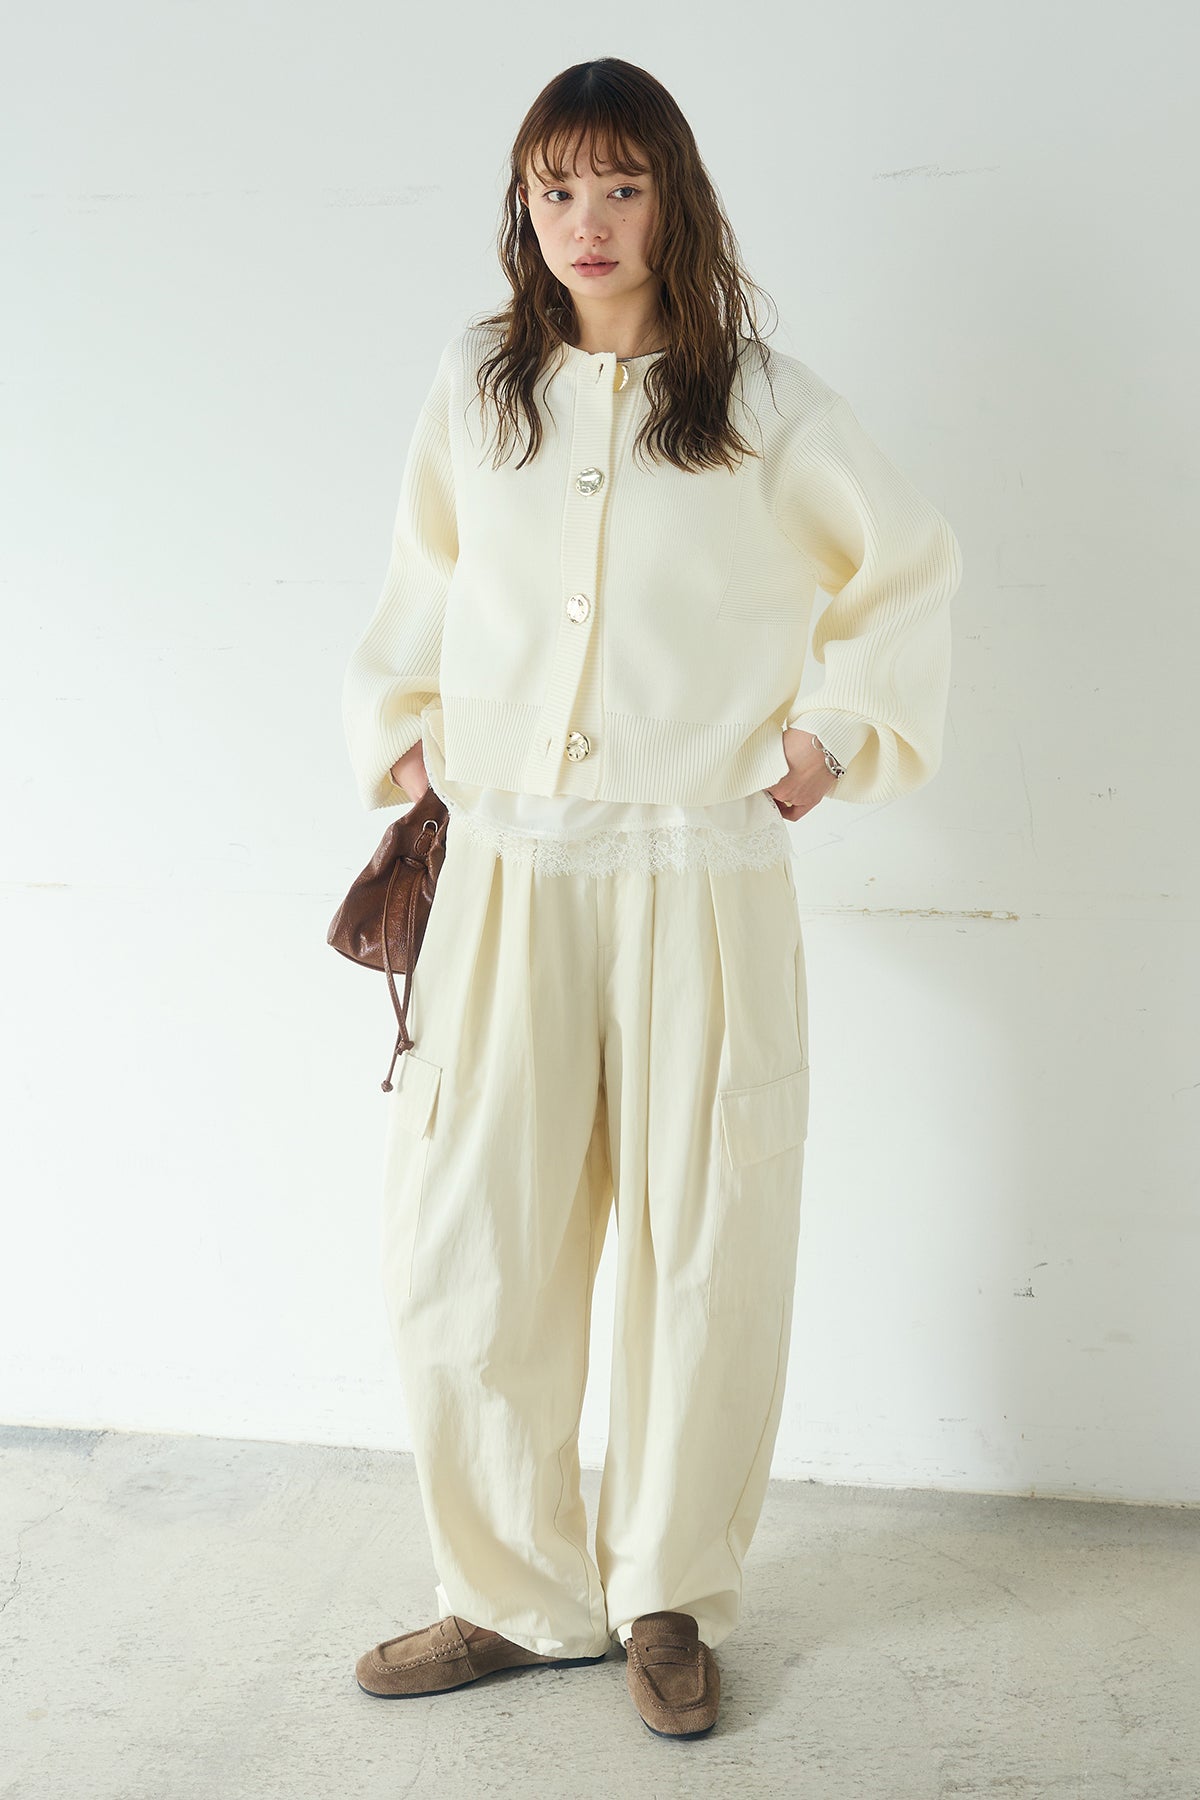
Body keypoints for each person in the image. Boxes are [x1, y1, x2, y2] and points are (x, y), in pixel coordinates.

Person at [341, 57, 963, 1741]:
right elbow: (419, 582)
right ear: (523, 208)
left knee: (708, 1240)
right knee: (471, 1236)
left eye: (619, 185)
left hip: (701, 870)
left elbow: (907, 565)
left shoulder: (762, 401)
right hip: (510, 870)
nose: (587, 222)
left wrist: (830, 739)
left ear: (674, 197)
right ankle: (511, 1595)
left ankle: (667, 1595)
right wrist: (411, 742)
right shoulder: (480, 387)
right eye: (556, 190)